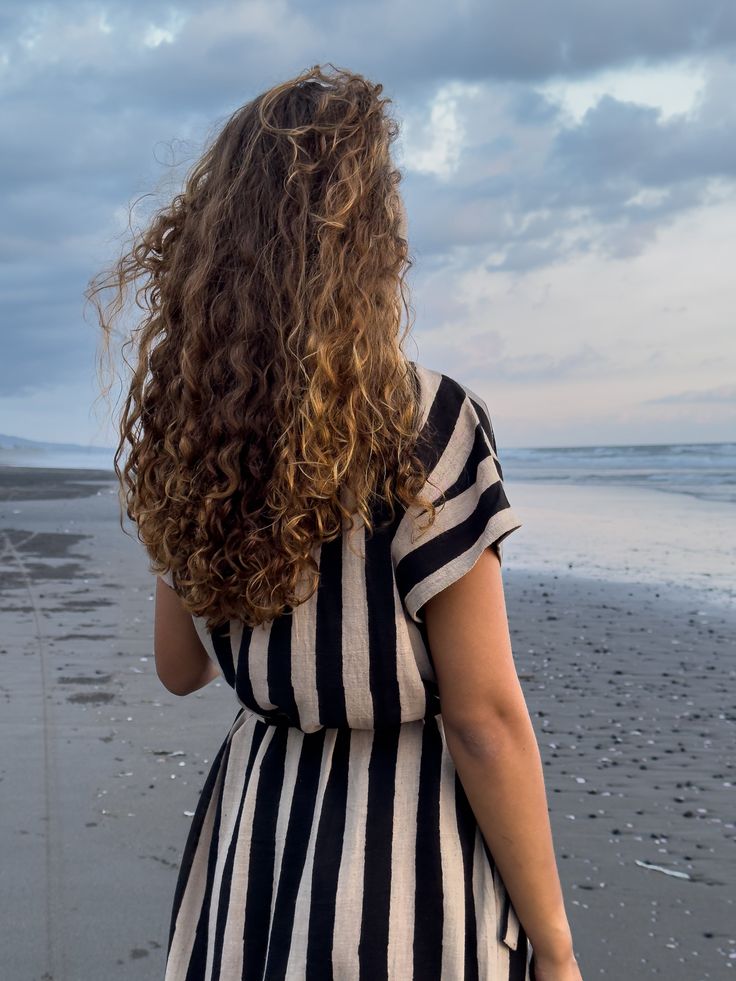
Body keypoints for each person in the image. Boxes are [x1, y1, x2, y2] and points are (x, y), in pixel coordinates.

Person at [87, 62, 582, 981]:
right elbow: (484, 720)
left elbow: (181, 667)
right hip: (406, 860)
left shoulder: (191, 425)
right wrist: (554, 948)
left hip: (258, 840)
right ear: (367, 239)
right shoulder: (422, 424)